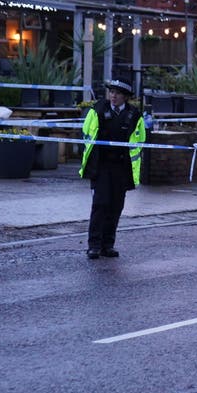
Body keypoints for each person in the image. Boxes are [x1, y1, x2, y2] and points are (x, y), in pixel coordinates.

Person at [81, 78, 147, 259]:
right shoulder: (97, 110)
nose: (113, 96)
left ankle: (107, 245)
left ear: (125, 97)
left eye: (117, 93)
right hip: (102, 165)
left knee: (116, 207)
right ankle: (94, 246)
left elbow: (140, 140)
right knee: (100, 204)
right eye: (111, 92)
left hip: (122, 166)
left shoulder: (134, 115)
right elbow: (86, 134)